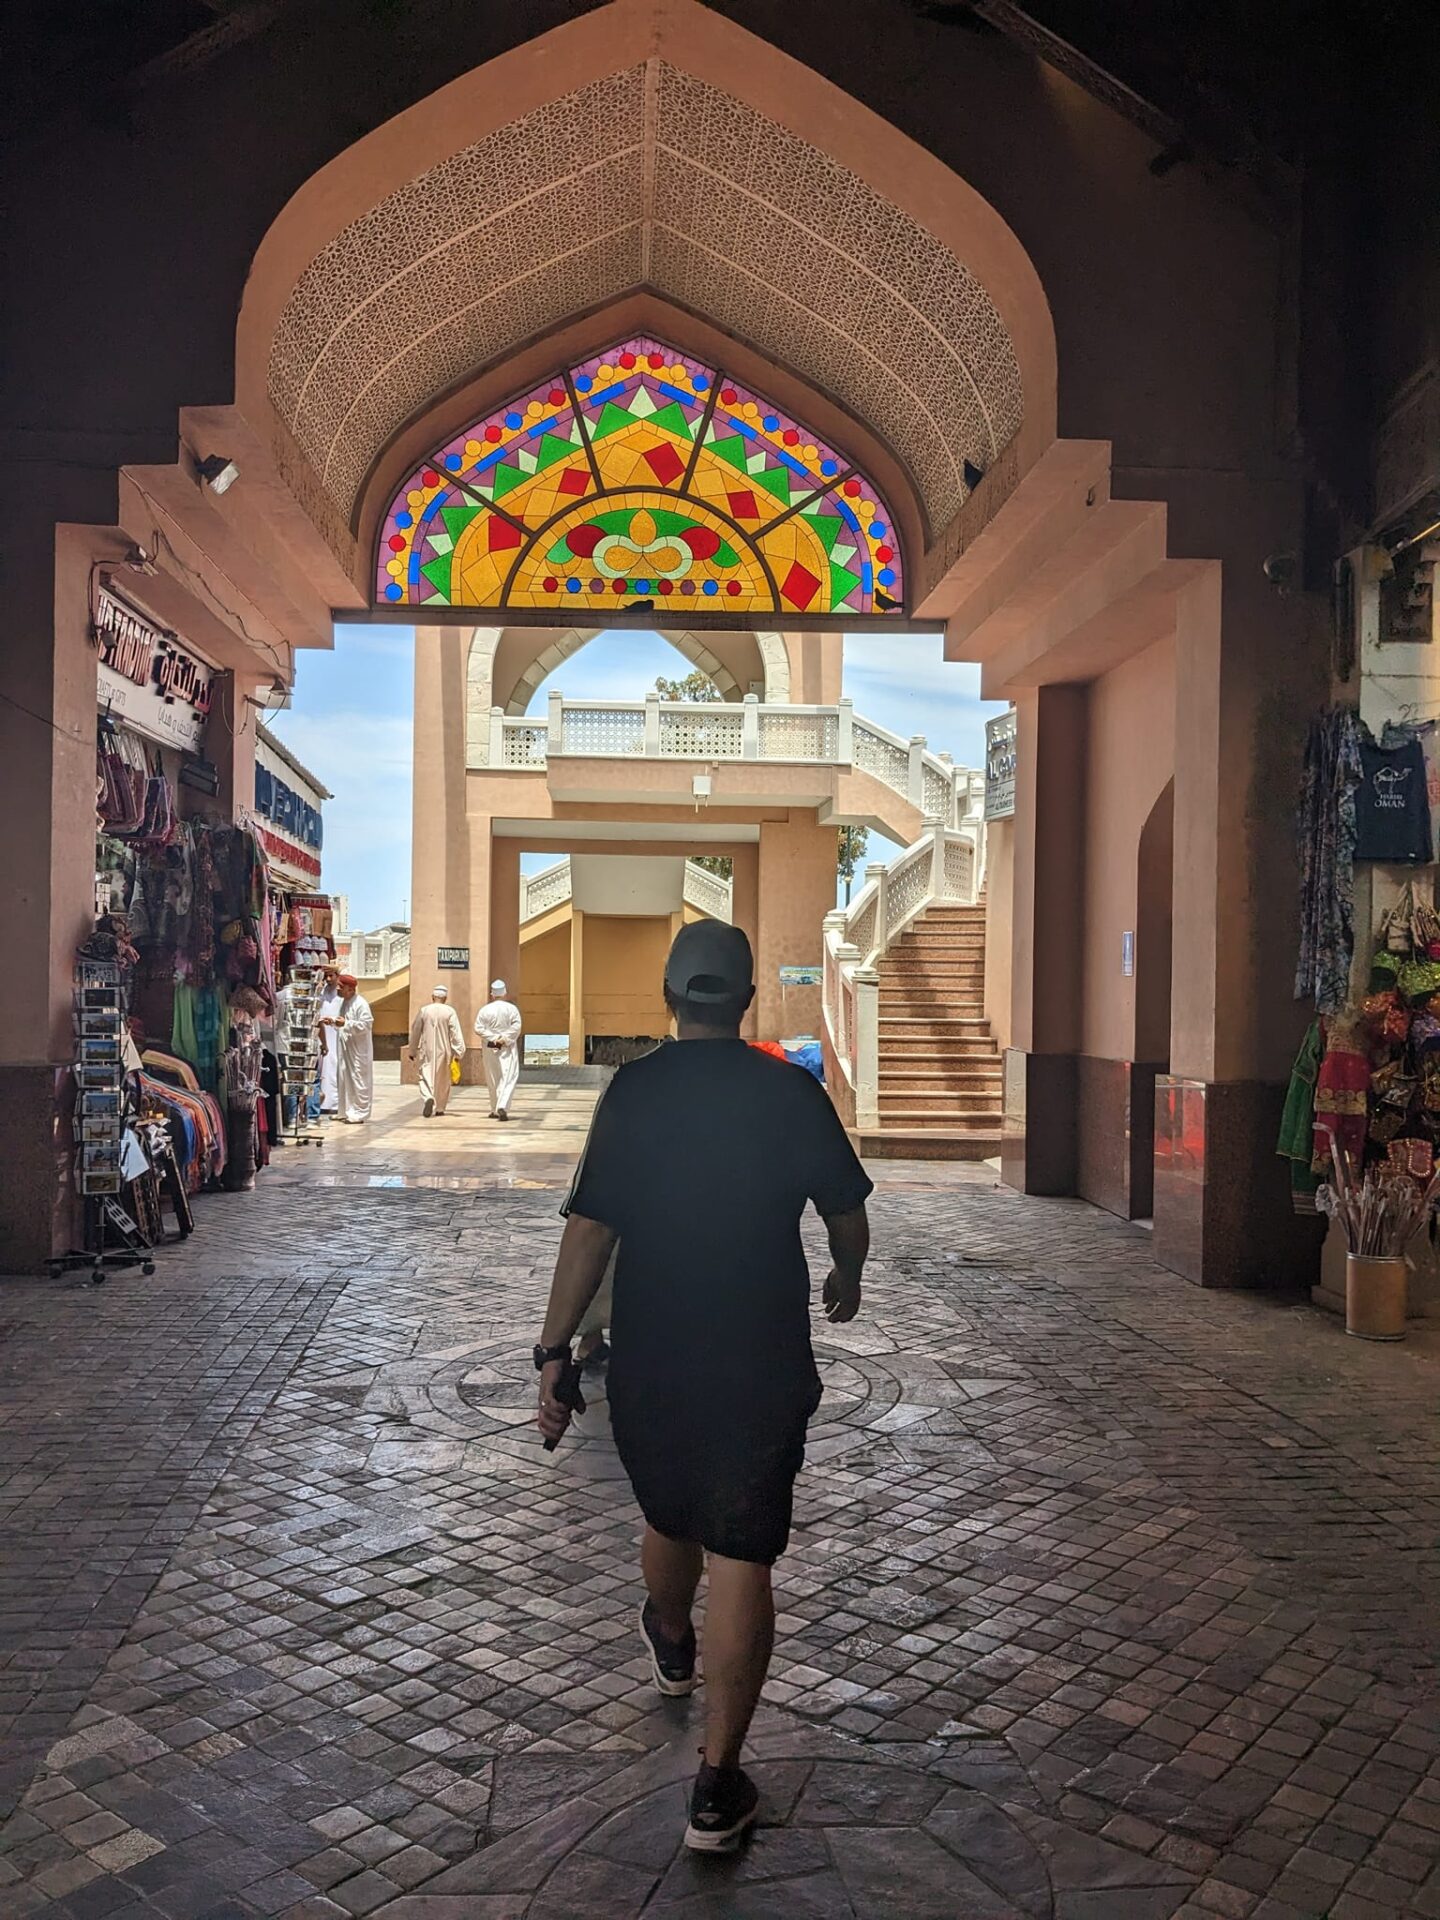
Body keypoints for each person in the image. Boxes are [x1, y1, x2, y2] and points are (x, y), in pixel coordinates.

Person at [534, 922, 872, 1853]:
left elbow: (589, 1233)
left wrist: (552, 1349)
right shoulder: (790, 1090)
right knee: (745, 1553)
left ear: (671, 995)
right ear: (749, 997)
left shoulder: (634, 1093)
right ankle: (718, 1787)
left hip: (657, 1354)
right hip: (761, 1353)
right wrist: (847, 1276)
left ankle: (673, 1638)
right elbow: (849, 1213)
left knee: (671, 1514)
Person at [324, 972, 374, 1124]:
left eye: (341, 987)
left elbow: (366, 1024)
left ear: (350, 989)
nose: (338, 989)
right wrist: (332, 1021)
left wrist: (345, 1024)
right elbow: (342, 1021)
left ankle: (359, 1113)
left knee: (358, 1080)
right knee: (343, 1078)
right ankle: (344, 1111)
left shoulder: (361, 1004)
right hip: (346, 1049)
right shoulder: (345, 1002)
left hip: (358, 1050)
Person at [411, 983, 466, 1117]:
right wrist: (459, 1051)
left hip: (427, 1049)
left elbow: (416, 1031)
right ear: (445, 998)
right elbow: (456, 1033)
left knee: (425, 1075)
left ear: (432, 997)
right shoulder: (449, 1011)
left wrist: (412, 1050)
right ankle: (440, 1108)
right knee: (443, 1079)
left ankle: (428, 1097)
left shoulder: (424, 1010)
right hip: (444, 1050)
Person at [474, 978, 522, 1120]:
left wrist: (493, 1038)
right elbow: (516, 1027)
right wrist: (504, 1038)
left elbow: (478, 1028)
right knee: (509, 1076)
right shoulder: (512, 1009)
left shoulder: (485, 1010)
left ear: (492, 994)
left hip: (490, 1047)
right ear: (505, 993)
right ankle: (502, 1106)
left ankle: (495, 1108)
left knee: (493, 1078)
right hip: (507, 1047)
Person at [313, 967, 342, 1118]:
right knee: (323, 1070)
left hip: (337, 1036)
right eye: (326, 977)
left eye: (331, 976)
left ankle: (336, 1104)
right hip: (322, 1037)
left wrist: (335, 1022)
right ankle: (322, 1104)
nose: (328, 979)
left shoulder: (342, 997)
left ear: (337, 976)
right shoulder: (320, 995)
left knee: (336, 1068)